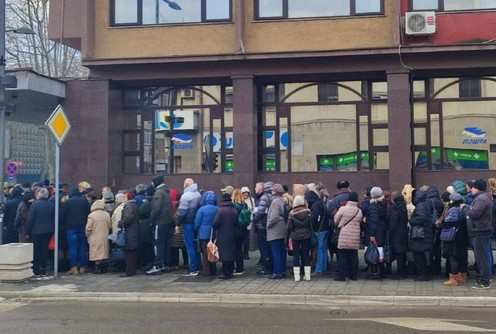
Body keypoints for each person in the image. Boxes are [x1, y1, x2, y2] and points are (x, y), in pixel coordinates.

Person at [461, 179, 493, 289]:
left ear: (477, 188)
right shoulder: (485, 197)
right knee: (483, 256)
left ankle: (485, 281)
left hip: (480, 231)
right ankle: (486, 277)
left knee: (481, 257)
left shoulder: (480, 199)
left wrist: (464, 208)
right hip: (482, 230)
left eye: (473, 188)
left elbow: (474, 213)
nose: (471, 190)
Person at [408, 185, 444, 282]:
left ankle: (422, 274)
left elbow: (421, 218)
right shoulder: (425, 204)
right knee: (422, 254)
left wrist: (410, 221)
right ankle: (425, 273)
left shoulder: (421, 205)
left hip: (421, 234)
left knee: (419, 254)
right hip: (426, 232)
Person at [146, 175, 174, 275]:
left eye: (152, 182)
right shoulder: (166, 192)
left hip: (160, 222)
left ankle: (157, 265)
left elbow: (156, 209)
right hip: (167, 221)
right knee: (166, 244)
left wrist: (151, 220)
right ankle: (165, 264)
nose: (151, 184)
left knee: (158, 244)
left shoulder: (158, 193)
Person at [60, 186, 91, 275]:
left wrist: (64, 225)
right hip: (82, 226)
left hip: (70, 227)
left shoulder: (67, 203)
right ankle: (82, 267)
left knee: (72, 247)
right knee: (82, 247)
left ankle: (74, 267)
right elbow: (88, 213)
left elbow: (61, 216)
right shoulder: (84, 202)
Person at [334, 192, 363, 281]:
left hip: (344, 235)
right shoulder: (359, 211)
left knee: (343, 256)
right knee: (353, 255)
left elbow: (336, 220)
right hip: (355, 236)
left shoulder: (343, 209)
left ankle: (342, 275)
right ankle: (353, 275)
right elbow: (360, 221)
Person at [26, 187, 55, 279]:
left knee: (37, 250)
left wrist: (28, 231)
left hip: (37, 231)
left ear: (39, 195)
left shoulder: (34, 205)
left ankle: (36, 270)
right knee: (45, 249)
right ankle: (44, 269)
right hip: (48, 231)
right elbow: (54, 218)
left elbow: (30, 219)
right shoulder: (51, 205)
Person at [175, 178, 201, 276]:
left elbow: (182, 212)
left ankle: (193, 269)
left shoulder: (185, 196)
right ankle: (198, 266)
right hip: (196, 223)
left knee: (190, 246)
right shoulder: (198, 194)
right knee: (196, 245)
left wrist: (177, 223)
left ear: (185, 185)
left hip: (188, 223)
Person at [442, 192, 468, 286]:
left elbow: (447, 223)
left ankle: (454, 278)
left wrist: (443, 224)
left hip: (453, 237)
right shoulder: (464, 207)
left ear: (452, 200)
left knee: (453, 256)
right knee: (462, 256)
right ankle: (463, 276)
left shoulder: (453, 209)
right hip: (463, 236)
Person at [364, 186, 388, 279]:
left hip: (376, 231)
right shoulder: (384, 204)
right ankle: (382, 271)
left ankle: (377, 272)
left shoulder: (373, 206)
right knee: (380, 251)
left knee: (374, 251)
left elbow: (373, 221)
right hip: (382, 230)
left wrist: (372, 234)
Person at [287, 195, 312, 282]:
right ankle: (307, 276)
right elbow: (311, 224)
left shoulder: (292, 213)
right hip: (306, 236)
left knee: (296, 256)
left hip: (295, 237)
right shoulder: (308, 212)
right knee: (306, 255)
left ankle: (297, 277)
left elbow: (289, 227)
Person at [212, 193, 237, 279]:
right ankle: (230, 271)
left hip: (222, 235)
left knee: (224, 254)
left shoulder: (221, 211)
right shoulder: (234, 210)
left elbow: (215, 224)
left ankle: (225, 272)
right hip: (233, 234)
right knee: (231, 253)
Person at [305, 182, 328, 276]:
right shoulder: (321, 202)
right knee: (323, 249)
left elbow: (314, 218)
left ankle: (319, 270)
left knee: (319, 249)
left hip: (319, 230)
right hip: (325, 229)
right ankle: (324, 268)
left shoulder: (314, 205)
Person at [194, 191, 218, 276]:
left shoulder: (201, 210)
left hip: (203, 235)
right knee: (213, 251)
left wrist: (197, 230)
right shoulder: (217, 209)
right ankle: (214, 270)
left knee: (205, 253)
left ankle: (206, 271)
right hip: (213, 234)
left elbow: (197, 223)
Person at [266, 183, 288, 279]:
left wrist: (268, 224)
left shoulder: (275, 202)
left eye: (272, 190)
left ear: (275, 191)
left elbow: (274, 216)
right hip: (282, 228)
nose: (271, 191)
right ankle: (282, 271)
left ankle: (277, 272)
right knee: (281, 250)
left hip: (275, 229)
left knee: (276, 251)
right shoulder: (282, 200)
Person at [117, 188, 140, 277]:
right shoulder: (134, 205)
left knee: (129, 252)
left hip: (130, 233)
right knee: (132, 253)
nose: (124, 198)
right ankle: (132, 270)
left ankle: (129, 270)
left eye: (125, 197)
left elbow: (127, 219)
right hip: (133, 232)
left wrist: (121, 223)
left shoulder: (129, 206)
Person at [85, 199, 111, 274]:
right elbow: (109, 226)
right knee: (104, 251)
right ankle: (104, 267)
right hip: (105, 236)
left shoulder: (91, 215)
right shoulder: (106, 214)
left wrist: (87, 235)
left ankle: (97, 268)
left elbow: (88, 228)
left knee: (96, 253)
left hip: (94, 236)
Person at [253, 181, 274, 275]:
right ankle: (269, 265)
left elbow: (260, 211)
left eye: (256, 187)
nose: (255, 189)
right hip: (267, 225)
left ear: (261, 189)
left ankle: (267, 267)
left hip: (261, 225)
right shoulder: (271, 197)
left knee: (263, 247)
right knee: (268, 246)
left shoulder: (263, 197)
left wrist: (254, 219)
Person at [388, 191, 409, 279]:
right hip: (403, 232)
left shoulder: (395, 209)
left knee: (398, 253)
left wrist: (390, 233)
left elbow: (393, 223)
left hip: (396, 234)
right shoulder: (404, 207)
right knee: (402, 253)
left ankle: (400, 273)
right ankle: (402, 271)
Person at [232, 188, 248, 275]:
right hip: (243, 229)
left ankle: (238, 268)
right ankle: (240, 267)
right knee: (240, 249)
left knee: (235, 249)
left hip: (235, 229)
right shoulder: (245, 205)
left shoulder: (234, 206)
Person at [241, 186, 255, 260]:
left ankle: (246, 252)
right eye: (244, 193)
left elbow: (253, 210)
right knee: (242, 238)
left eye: (247, 193)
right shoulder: (240, 200)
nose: (246, 194)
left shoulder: (252, 200)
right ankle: (242, 252)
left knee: (247, 238)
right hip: (241, 221)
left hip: (249, 221)